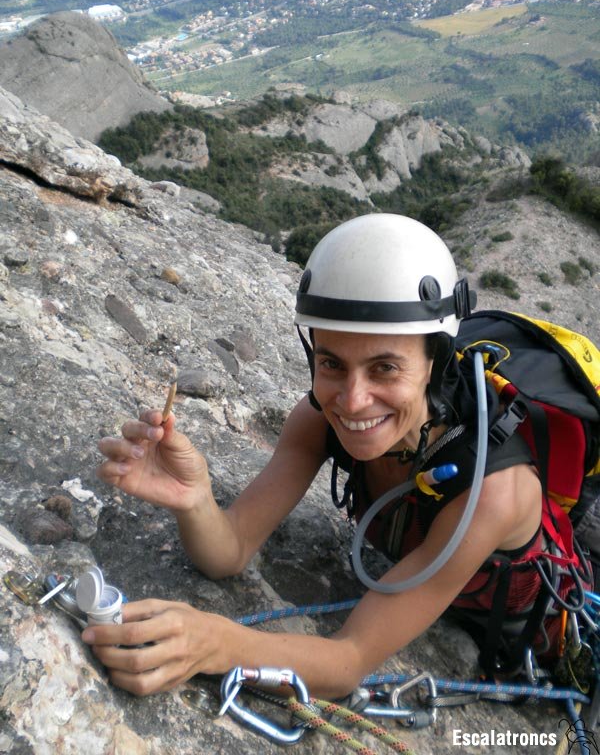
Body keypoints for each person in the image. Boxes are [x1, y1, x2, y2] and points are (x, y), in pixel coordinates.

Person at [89, 213, 545, 698]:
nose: (352, 400)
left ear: (435, 361)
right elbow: (229, 551)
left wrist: (216, 643)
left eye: (385, 368)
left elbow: (348, 661)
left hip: (510, 636)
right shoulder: (318, 420)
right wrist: (195, 500)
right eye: (331, 363)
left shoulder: (492, 491)